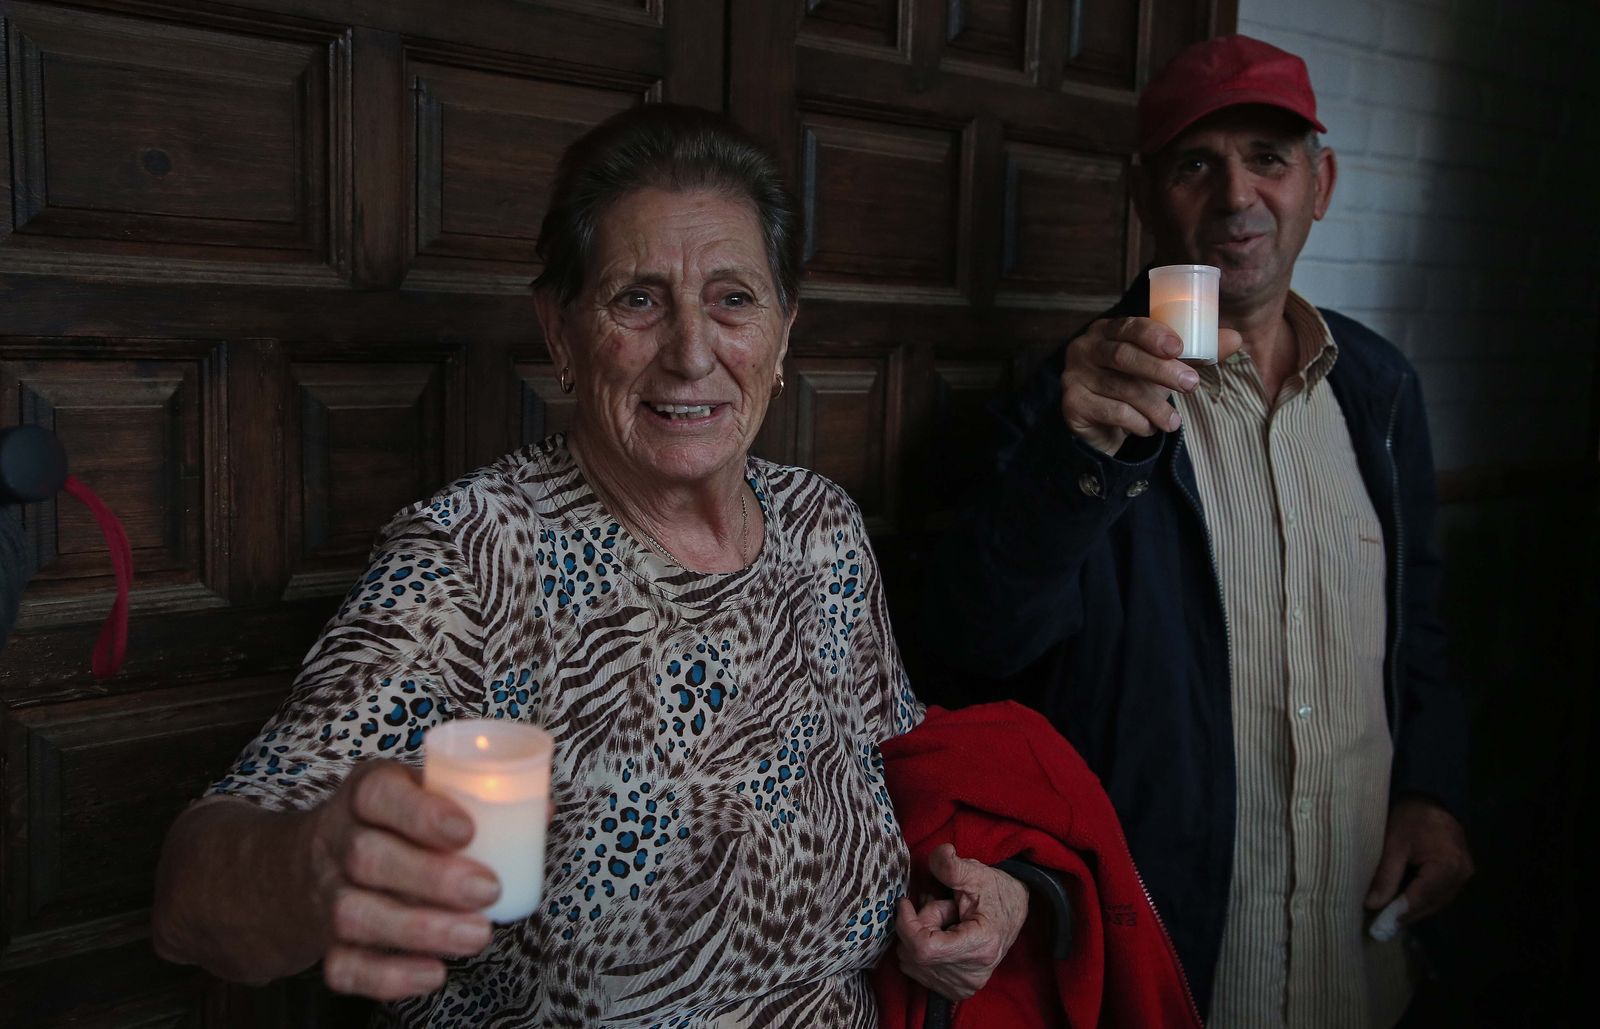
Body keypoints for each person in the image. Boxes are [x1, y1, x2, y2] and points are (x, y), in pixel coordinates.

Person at [151, 104, 1032, 1027]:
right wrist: (308, 868)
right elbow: (189, 899)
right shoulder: (477, 554)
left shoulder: (823, 528)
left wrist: (993, 891)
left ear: (782, 332)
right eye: (638, 299)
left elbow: (902, 770)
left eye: (734, 298)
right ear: (559, 331)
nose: (692, 352)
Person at [920, 35, 1473, 1028]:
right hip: (1173, 974)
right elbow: (978, 640)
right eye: (1194, 164)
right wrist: (1080, 456)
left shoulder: (1380, 391)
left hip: (1360, 966)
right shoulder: (1071, 401)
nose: (1235, 198)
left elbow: (1418, 629)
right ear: (1146, 198)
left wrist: (1431, 793)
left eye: (1268, 157)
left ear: (1322, 182)